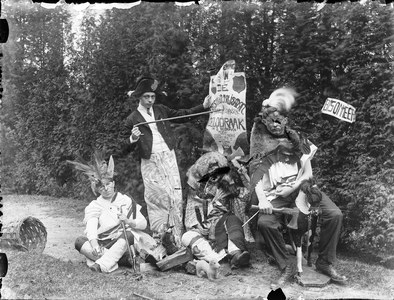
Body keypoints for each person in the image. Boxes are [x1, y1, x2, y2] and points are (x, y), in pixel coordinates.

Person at [248, 88, 347, 288]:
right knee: (265, 223)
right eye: (271, 120)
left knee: (334, 214)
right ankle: (287, 266)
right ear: (264, 121)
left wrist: (293, 187)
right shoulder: (259, 144)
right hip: (276, 193)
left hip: (302, 188)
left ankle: (325, 262)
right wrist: (264, 199)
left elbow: (308, 173)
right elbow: (256, 176)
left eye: (280, 120)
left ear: (285, 120)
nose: (276, 124)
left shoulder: (298, 140)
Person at [124, 76, 212, 250]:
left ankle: (177, 238)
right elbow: (123, 147)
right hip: (150, 161)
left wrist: (203, 107)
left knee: (175, 196)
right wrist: (132, 138)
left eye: (152, 97)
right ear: (139, 97)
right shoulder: (132, 119)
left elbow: (181, 115)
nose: (150, 100)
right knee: (157, 198)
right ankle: (161, 239)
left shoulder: (161, 110)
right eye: (146, 97)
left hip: (168, 158)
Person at [68, 153, 148, 273]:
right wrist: (95, 246)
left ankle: (102, 265)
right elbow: (91, 229)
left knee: (130, 234)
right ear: (97, 189)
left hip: (123, 242)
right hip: (104, 244)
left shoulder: (125, 200)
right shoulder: (95, 205)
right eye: (101, 187)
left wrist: (128, 221)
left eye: (108, 184)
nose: (105, 189)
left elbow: (143, 224)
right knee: (79, 241)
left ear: (113, 183)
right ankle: (120, 260)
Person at [183, 151, 253, 268]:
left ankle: (236, 254)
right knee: (186, 237)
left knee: (234, 221)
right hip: (202, 229)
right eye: (210, 171)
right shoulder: (196, 187)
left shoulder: (226, 184)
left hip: (222, 226)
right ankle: (216, 258)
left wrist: (242, 176)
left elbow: (247, 196)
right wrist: (204, 227)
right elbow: (191, 218)